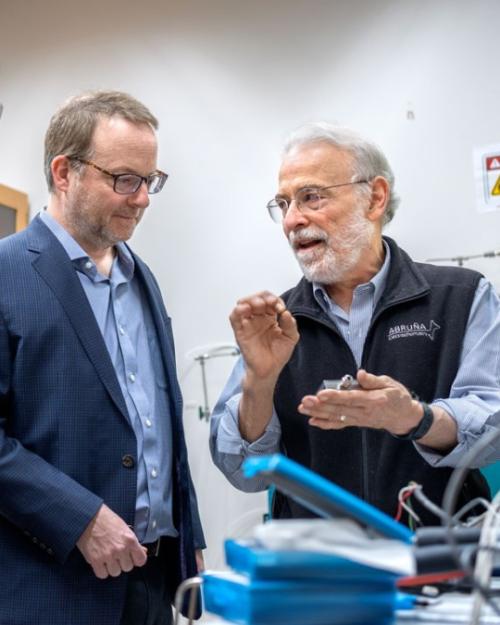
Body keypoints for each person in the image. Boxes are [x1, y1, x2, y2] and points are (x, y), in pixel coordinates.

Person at [210, 122, 500, 526]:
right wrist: (258, 381)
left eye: (311, 197)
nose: (293, 220)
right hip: (320, 569)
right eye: (284, 204)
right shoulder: (276, 323)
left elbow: (493, 428)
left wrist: (415, 419)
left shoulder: (462, 297)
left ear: (375, 198)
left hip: (438, 558)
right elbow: (241, 470)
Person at [0, 91, 204, 625]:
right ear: (64, 172)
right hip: (51, 587)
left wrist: (188, 537)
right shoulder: (6, 274)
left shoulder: (143, 280)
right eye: (125, 180)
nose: (142, 199)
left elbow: (158, 427)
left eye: (150, 180)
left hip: (153, 582)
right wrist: (82, 518)